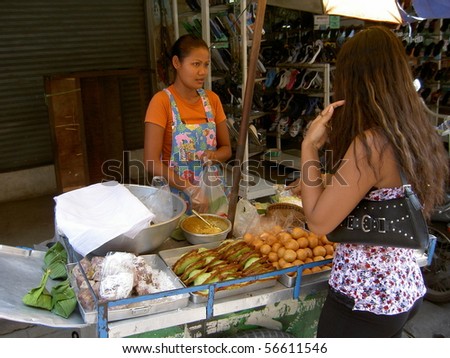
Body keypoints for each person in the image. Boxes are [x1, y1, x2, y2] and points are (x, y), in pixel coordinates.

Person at [299, 26, 448, 338]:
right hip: (401, 288)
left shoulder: (371, 143)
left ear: (355, 80)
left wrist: (309, 147)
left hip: (364, 300)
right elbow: (379, 193)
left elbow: (317, 222)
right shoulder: (413, 129)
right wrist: (329, 178)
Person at [144, 34, 232, 213]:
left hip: (212, 194)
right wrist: (189, 188)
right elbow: (151, 162)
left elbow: (227, 149)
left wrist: (213, 156)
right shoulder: (161, 102)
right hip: (176, 200)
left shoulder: (212, 100)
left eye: (206, 65)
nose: (203, 72)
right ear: (177, 63)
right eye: (195, 64)